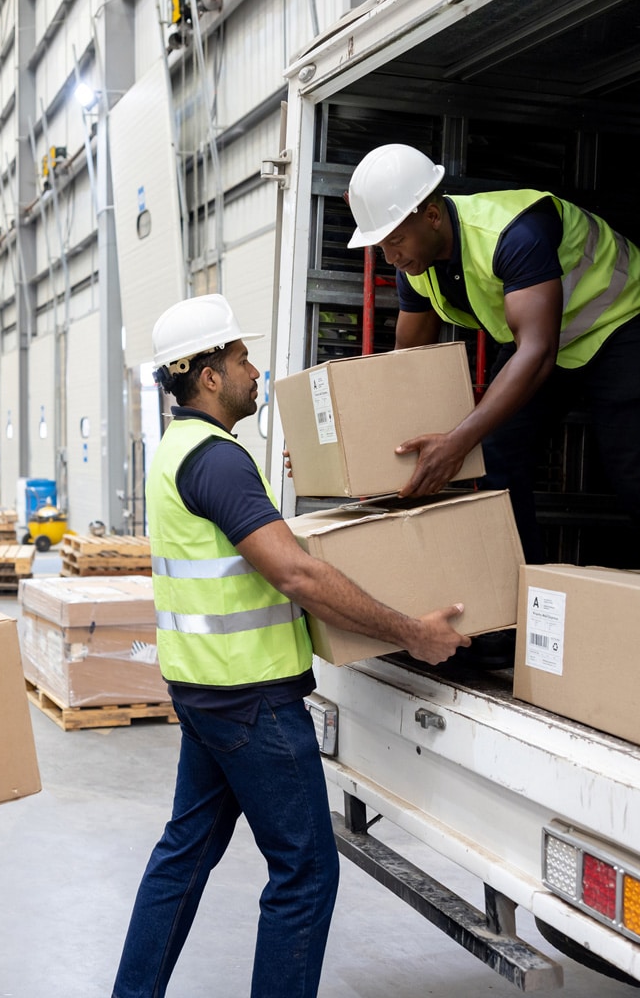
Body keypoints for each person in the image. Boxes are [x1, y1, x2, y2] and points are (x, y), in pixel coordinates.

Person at [113, 294, 469, 998]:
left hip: (209, 695)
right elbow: (295, 571)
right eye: (240, 357)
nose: (253, 369)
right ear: (207, 375)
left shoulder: (180, 451)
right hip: (253, 703)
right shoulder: (215, 461)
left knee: (182, 858)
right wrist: (411, 631)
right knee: (304, 873)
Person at [346, 143, 640, 570]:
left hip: (618, 323)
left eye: (394, 240)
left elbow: (537, 353)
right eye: (380, 246)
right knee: (498, 460)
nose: (390, 257)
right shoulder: (414, 266)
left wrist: (458, 442)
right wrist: (351, 436)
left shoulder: (512, 234)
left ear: (431, 216)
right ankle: (526, 605)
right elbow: (407, 362)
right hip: (545, 340)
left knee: (639, 477)